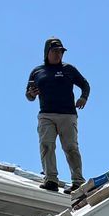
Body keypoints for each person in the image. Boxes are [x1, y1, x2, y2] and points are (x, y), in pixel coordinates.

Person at [25, 37, 89, 191]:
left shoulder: (69, 69)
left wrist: (83, 97)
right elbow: (29, 95)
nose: (58, 54)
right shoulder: (37, 71)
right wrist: (32, 94)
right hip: (46, 114)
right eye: (55, 51)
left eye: (60, 51)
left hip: (67, 115)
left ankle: (78, 182)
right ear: (47, 52)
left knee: (71, 147)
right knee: (46, 145)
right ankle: (51, 180)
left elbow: (85, 84)